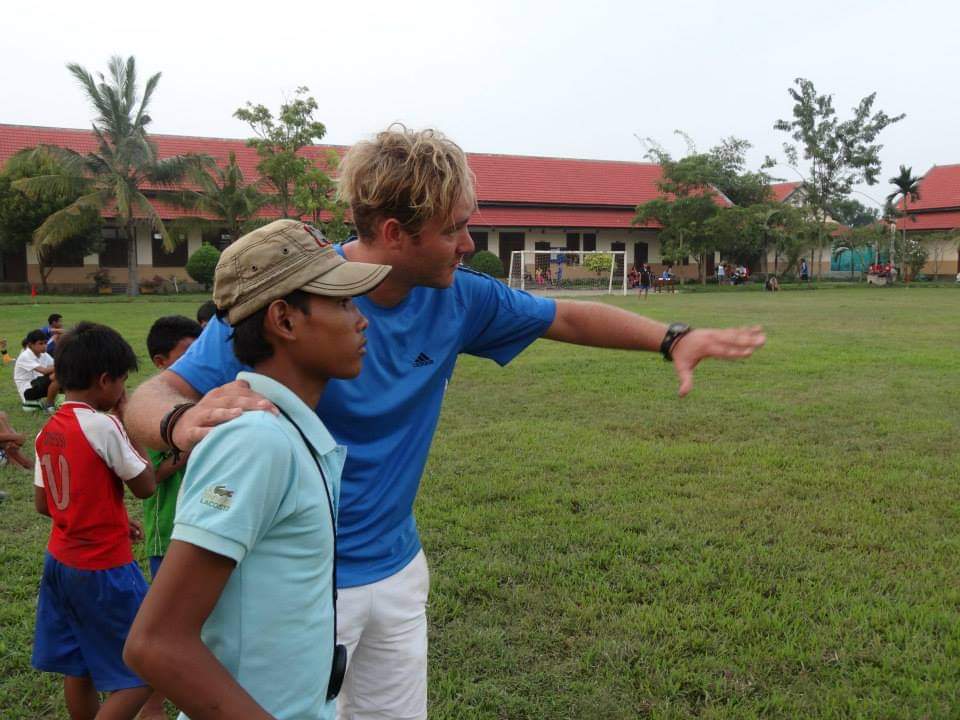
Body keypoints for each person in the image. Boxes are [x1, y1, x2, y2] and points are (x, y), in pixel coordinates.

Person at [125, 125, 765, 720]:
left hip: (398, 568)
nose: (468, 244)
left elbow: (563, 317)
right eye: (454, 229)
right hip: (304, 581)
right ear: (397, 232)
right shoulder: (297, 295)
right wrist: (181, 421)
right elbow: (150, 397)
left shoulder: (459, 296)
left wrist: (671, 338)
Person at [124, 219, 391, 720]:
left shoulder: (288, 430)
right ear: (284, 320)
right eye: (342, 303)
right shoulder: (257, 440)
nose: (362, 320)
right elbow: (156, 643)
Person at [31, 322, 156, 720]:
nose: (123, 392)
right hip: (104, 568)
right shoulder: (103, 425)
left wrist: (111, 518)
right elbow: (146, 486)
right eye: (122, 383)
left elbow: (43, 504)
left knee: (79, 664)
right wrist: (130, 422)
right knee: (146, 666)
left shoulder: (47, 429)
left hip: (60, 563)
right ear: (105, 381)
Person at [137, 315, 203, 720]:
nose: (198, 359)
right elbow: (151, 476)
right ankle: (151, 704)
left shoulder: (205, 400)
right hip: (169, 531)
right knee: (168, 626)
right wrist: (191, 446)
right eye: (188, 353)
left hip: (204, 529)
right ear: (162, 362)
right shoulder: (156, 413)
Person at [14, 329, 59, 409]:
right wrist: (63, 365)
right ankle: (49, 405)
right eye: (40, 343)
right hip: (28, 390)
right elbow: (44, 370)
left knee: (63, 375)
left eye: (45, 342)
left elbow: (54, 365)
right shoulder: (25, 356)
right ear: (30, 345)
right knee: (57, 376)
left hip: (38, 383)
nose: (45, 346)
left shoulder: (44, 354)